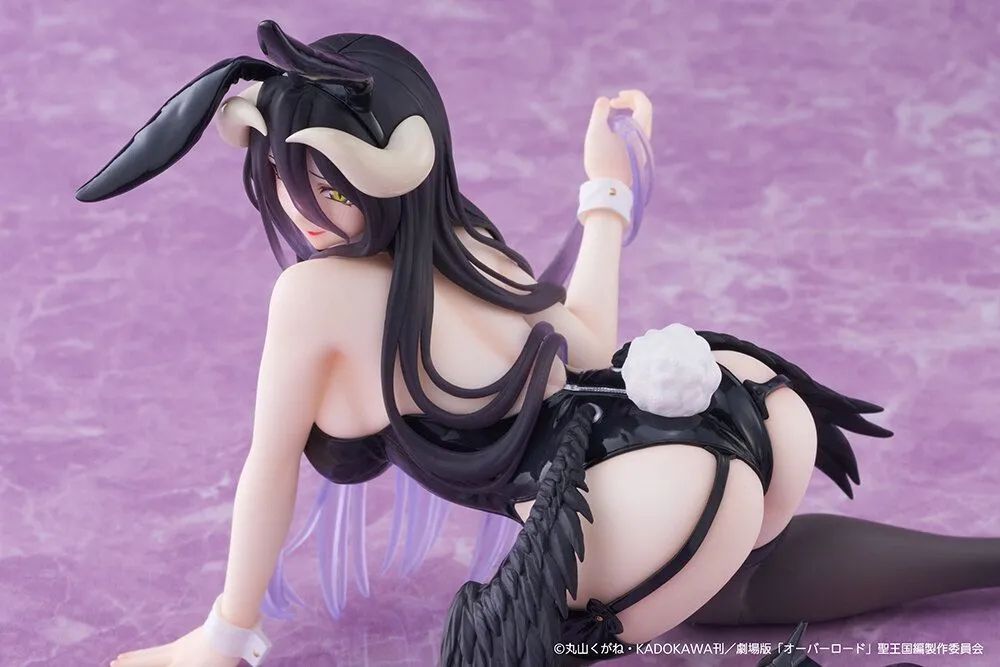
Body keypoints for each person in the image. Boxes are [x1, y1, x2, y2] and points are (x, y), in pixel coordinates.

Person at [76, 20, 1000, 667]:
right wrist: (605, 191)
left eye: (329, 185)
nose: (300, 207)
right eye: (281, 177)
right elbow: (587, 346)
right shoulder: (465, 239)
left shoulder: (315, 294)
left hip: (622, 501)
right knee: (737, 582)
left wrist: (224, 634)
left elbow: (268, 464)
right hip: (738, 400)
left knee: (496, 650)